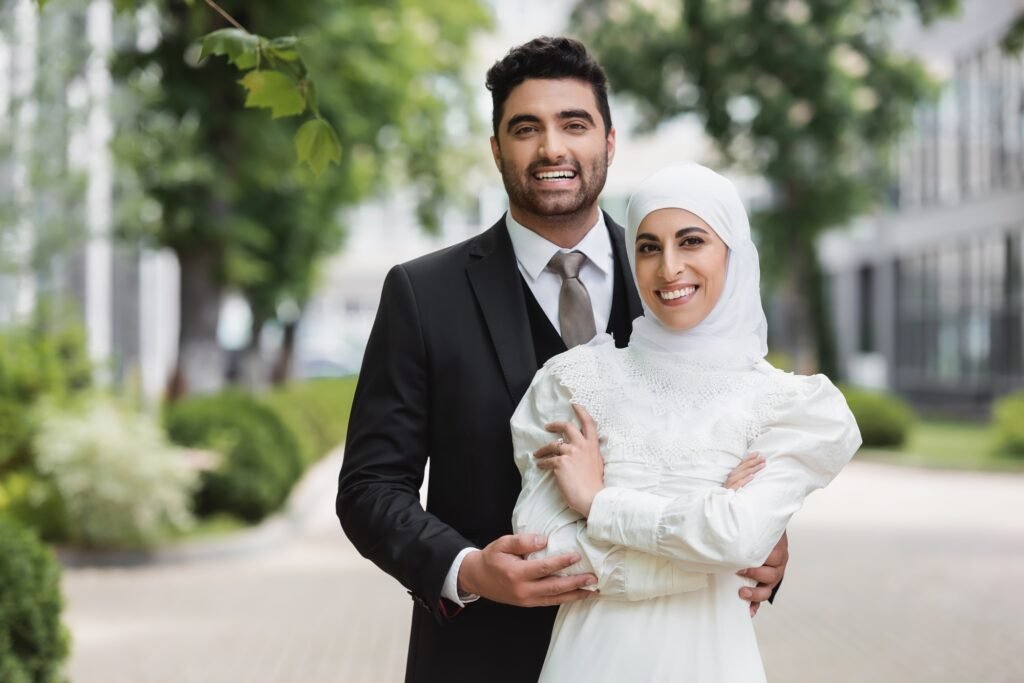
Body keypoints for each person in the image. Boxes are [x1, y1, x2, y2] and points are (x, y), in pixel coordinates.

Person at [337, 38, 788, 683]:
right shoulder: (422, 293)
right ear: (497, 149)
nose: (551, 148)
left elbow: (742, 440)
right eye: (526, 129)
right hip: (482, 658)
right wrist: (468, 569)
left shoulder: (680, 281)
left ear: (610, 141)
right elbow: (370, 487)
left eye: (574, 124)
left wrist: (764, 535)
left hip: (657, 656)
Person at [510, 162, 862, 681]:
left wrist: (598, 503)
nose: (669, 267)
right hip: (587, 662)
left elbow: (738, 539)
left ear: (733, 251)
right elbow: (548, 556)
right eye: (648, 247)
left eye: (692, 241)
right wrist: (708, 540)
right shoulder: (574, 383)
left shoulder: (790, 406)